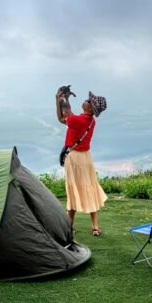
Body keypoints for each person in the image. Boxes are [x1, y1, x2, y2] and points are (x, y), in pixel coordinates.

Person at [55, 86, 108, 236]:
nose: (86, 100)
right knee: (90, 187)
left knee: (73, 189)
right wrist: (58, 99)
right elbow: (62, 118)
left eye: (89, 101)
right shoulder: (90, 121)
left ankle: (69, 226)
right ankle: (95, 227)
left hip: (75, 158)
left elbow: (66, 113)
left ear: (91, 109)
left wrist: (63, 98)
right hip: (86, 158)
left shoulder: (78, 120)